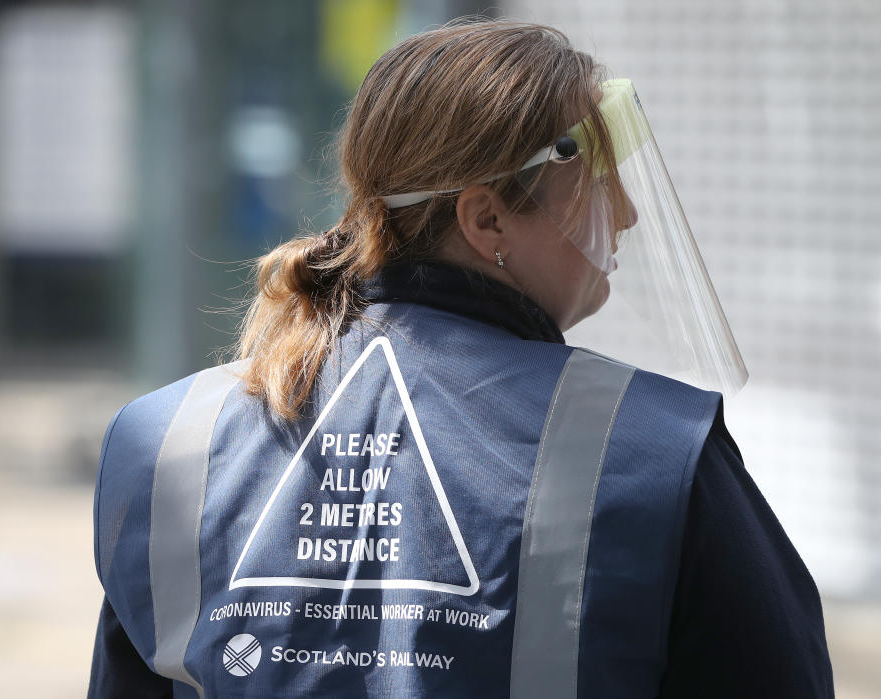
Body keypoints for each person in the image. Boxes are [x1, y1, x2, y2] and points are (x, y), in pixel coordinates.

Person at [88, 18, 834, 698]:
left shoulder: (165, 444)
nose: (629, 213)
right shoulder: (652, 451)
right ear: (486, 218)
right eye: (599, 181)